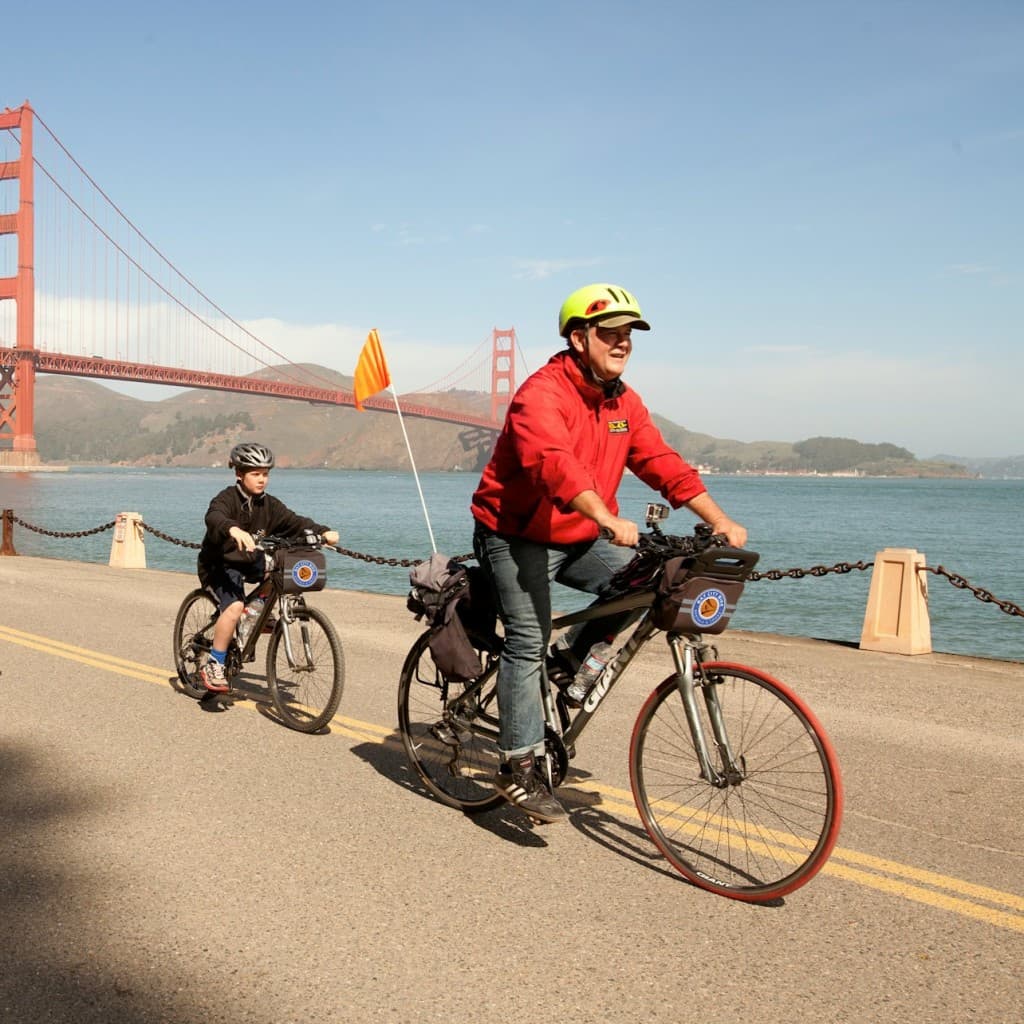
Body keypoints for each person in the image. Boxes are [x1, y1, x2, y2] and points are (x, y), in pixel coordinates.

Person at [471, 283, 747, 823]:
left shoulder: (623, 401)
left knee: (651, 584)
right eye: (611, 334)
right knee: (527, 638)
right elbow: (553, 462)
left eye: (629, 336)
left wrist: (719, 520)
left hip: (577, 534)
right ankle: (517, 766)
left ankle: (572, 664)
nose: (623, 344)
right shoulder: (540, 394)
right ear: (579, 337)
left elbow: (660, 461)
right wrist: (602, 516)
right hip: (515, 533)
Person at [196, 442, 339, 693]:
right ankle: (215, 663)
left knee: (278, 574)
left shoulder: (269, 505)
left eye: (265, 474)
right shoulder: (226, 498)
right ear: (239, 474)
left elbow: (295, 522)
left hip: (250, 561)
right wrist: (233, 528)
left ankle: (257, 615)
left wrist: (322, 531)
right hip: (219, 564)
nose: (262, 479)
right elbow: (214, 516)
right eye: (255, 474)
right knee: (234, 606)